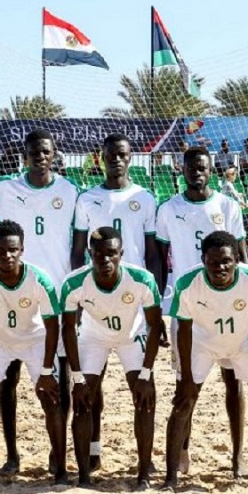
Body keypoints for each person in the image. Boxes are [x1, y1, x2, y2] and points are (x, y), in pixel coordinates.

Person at [162, 231, 248, 494]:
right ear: (203, 260)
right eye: (213, 262)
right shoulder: (187, 283)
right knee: (183, 403)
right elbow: (184, 331)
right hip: (202, 344)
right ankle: (170, 478)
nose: (220, 267)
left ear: (236, 259)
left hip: (242, 344)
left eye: (226, 261)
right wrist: (187, 378)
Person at [155, 145, 248, 477]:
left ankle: (238, 456)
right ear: (182, 170)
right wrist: (158, 309)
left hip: (228, 308)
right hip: (189, 310)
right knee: (186, 387)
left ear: (211, 171)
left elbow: (242, 256)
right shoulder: (168, 209)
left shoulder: (227, 205)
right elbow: (159, 261)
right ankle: (182, 453)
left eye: (203, 167)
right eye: (191, 167)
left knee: (233, 382)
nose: (197, 171)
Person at [0, 129, 78, 474]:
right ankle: (12, 453)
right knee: (7, 377)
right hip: (12, 296)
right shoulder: (1, 190)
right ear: (24, 156)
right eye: (34, 152)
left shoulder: (70, 192)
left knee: (61, 379)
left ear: (54, 154)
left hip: (54, 298)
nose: (40, 156)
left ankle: (59, 453)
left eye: (46, 151)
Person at [71, 133, 159, 471]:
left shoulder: (145, 198)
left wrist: (155, 309)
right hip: (95, 302)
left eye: (122, 155)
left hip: (134, 304)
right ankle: (93, 451)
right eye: (111, 155)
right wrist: (80, 303)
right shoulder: (87, 199)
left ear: (130, 157)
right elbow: (78, 252)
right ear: (102, 158)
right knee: (92, 385)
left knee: (139, 384)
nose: (117, 160)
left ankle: (146, 463)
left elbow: (152, 254)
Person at [0, 220, 67, 485]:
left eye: (13, 250)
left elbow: (52, 326)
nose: (7, 256)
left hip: (35, 340)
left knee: (51, 398)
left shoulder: (39, 279)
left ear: (22, 249)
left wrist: (46, 371)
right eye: (1, 250)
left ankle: (61, 467)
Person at [62, 226, 166, 488]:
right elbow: (68, 330)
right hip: (93, 338)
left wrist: (145, 374)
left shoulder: (142, 279)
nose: (105, 260)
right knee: (83, 401)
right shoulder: (74, 283)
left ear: (122, 253)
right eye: (98, 254)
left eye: (111, 254)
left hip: (131, 336)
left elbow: (155, 326)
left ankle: (143, 474)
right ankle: (84, 475)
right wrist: (77, 378)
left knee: (145, 398)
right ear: (89, 254)